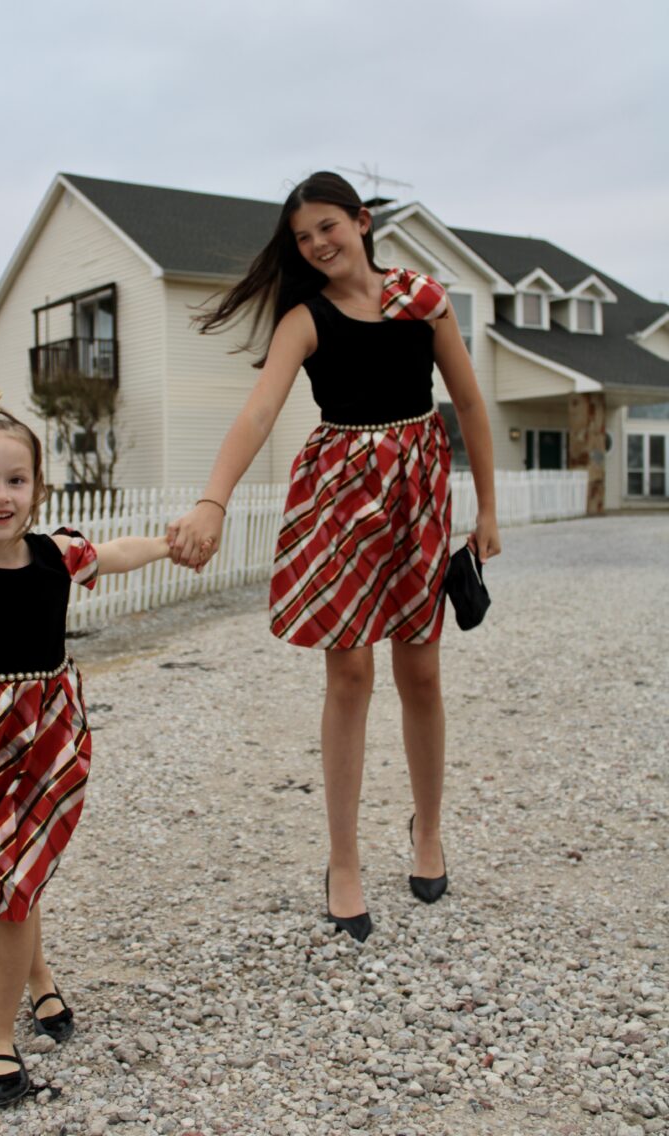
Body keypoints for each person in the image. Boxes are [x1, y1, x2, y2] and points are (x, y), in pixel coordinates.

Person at [168, 171, 500, 942]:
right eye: (302, 237)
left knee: (421, 666)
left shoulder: (423, 299)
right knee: (349, 670)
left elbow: (472, 404)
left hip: (417, 495)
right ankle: (343, 860)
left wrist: (485, 506)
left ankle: (426, 830)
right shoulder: (303, 319)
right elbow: (257, 414)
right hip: (340, 502)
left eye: (327, 226)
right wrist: (213, 502)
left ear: (361, 219)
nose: (318, 245)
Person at [0, 388, 171, 1107]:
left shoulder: (55, 556)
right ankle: (38, 982)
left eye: (16, 481)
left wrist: (171, 543)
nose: (0, 495)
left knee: (20, 878)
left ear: (38, 489)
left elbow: (115, 552)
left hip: (49, 741)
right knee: (10, 876)